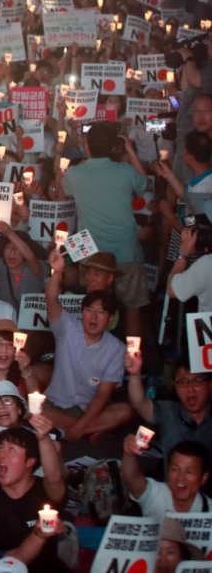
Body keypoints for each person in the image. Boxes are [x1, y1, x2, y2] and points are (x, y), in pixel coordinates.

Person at [61, 123, 150, 330]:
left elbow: (65, 192)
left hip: (88, 252)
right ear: (114, 147)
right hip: (126, 250)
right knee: (132, 308)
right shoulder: (126, 171)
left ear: (86, 145)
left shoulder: (73, 173)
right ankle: (132, 350)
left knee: (90, 306)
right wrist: (130, 149)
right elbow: (144, 184)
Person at [41, 249, 134, 440]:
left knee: (125, 411)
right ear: (82, 312)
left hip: (87, 410)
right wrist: (58, 272)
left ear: (110, 318)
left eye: (101, 312)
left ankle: (68, 429)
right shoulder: (68, 327)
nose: (93, 317)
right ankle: (86, 430)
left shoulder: (117, 349)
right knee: (29, 409)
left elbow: (103, 394)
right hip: (54, 404)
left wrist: (82, 423)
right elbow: (50, 300)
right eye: (89, 310)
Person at [0, 427, 67, 573]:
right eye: (0, 448)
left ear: (30, 461)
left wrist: (43, 438)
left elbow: (55, 479)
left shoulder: (46, 491)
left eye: (11, 449)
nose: (2, 454)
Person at [126, 354, 212, 459]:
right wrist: (134, 374)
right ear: (175, 386)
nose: (190, 389)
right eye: (183, 382)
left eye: (197, 381)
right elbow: (139, 403)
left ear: (210, 384)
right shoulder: (169, 411)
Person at [121, 439, 211, 521]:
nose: (180, 477)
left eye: (189, 472)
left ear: (203, 478)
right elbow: (131, 479)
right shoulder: (155, 494)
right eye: (175, 469)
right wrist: (129, 454)